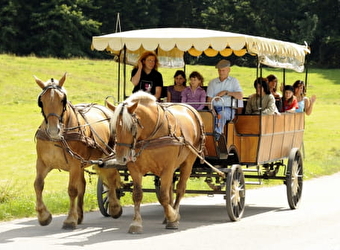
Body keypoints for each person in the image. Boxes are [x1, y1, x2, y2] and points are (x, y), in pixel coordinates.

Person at [207, 59, 243, 137]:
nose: (221, 72)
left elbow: (240, 96)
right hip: (214, 109)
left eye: (223, 70)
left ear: (229, 70)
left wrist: (226, 92)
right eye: (219, 70)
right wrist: (213, 112)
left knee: (222, 114)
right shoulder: (212, 82)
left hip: (228, 109)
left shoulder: (234, 81)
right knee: (207, 116)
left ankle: (217, 135)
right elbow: (209, 100)